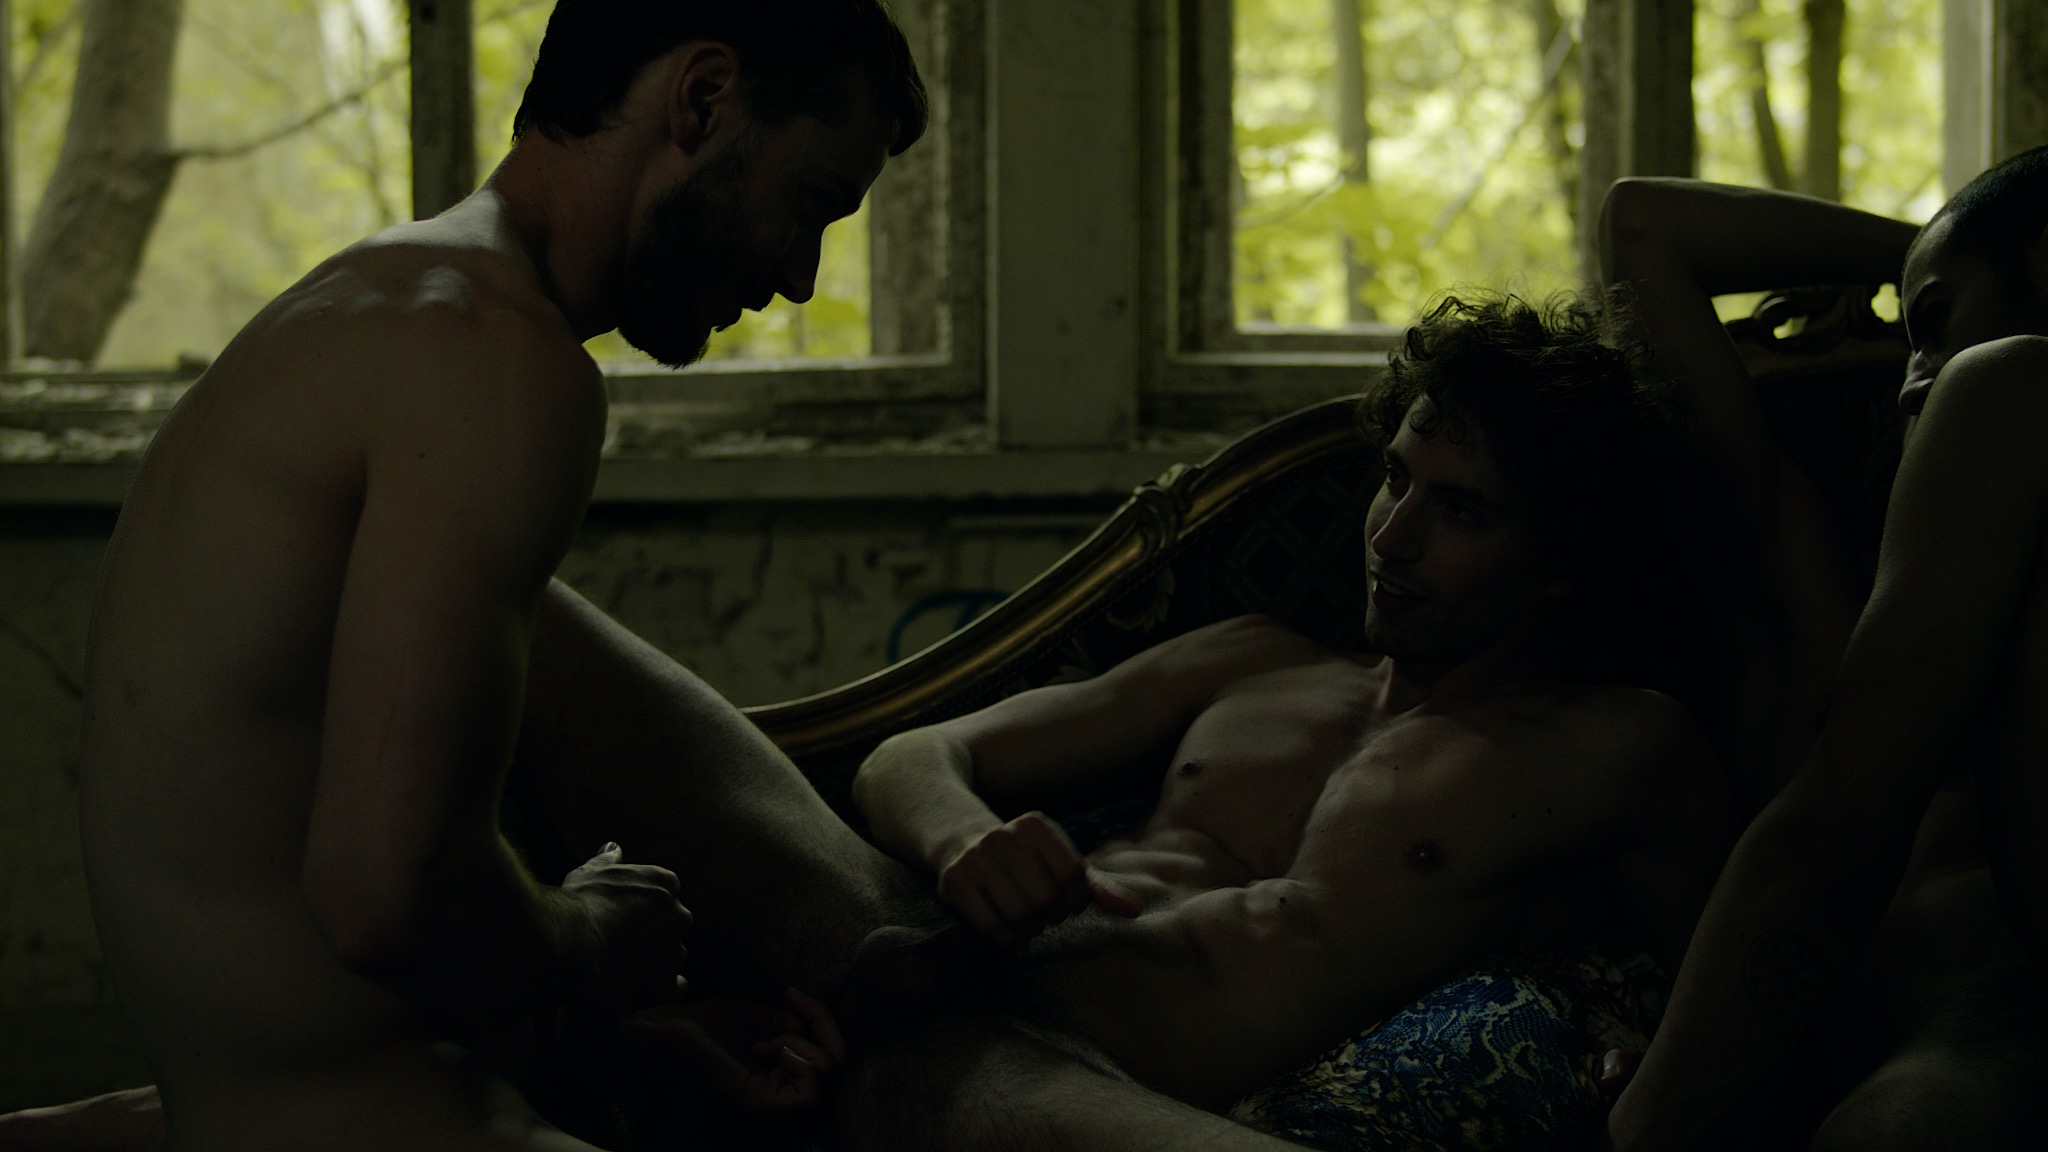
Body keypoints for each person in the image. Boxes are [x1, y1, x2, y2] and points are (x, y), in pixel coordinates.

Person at [74, 2, 928, 1149]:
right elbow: (385, 898)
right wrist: (596, 939)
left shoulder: (373, 305)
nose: (800, 276)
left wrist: (606, 1044)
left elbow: (294, 921)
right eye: (811, 202)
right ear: (700, 99)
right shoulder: (495, 359)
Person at [843, 293, 1737, 1124]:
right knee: (749, 772)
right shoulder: (1253, 658)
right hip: (958, 1004)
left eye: (1462, 512)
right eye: (1396, 479)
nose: (1392, 537)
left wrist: (1648, 1054)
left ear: (1565, 561)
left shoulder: (1615, 748)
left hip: (1104, 1103)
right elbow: (905, 758)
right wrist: (964, 840)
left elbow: (1752, 984)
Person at [1600, 153, 2048, 1151]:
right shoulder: (1818, 615)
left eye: (1933, 326)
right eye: (1906, 346)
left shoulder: (2011, 391)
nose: (1910, 386)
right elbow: (1645, 226)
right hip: (1863, 1065)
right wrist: (1937, 251)